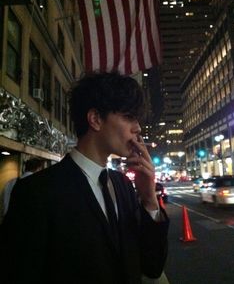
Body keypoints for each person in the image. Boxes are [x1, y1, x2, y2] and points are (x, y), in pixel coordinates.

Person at [0, 72, 169, 284]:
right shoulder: (36, 192)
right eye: (128, 116)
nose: (138, 128)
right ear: (95, 119)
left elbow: (152, 267)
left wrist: (150, 199)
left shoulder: (123, 185)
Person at [0, 158, 44, 223]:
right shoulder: (38, 185)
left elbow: (3, 203)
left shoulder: (10, 183)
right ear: (38, 169)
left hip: (8, 223)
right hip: (25, 224)